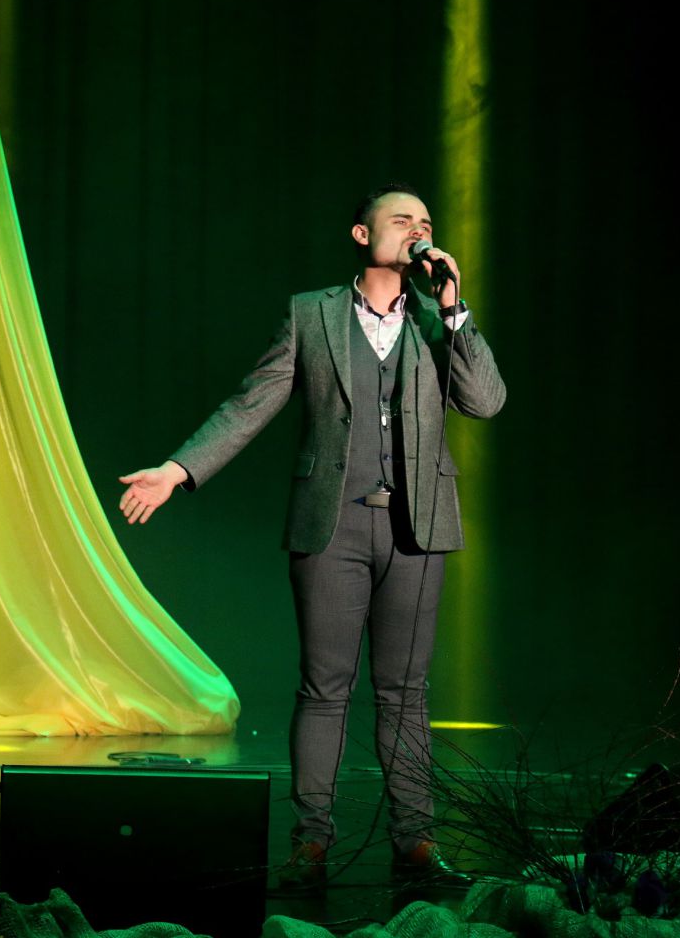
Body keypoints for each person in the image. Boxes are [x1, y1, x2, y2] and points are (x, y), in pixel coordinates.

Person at [118, 184, 506, 889]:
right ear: (362, 234)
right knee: (325, 687)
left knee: (405, 692)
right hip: (331, 524)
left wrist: (454, 310)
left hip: (418, 530)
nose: (417, 230)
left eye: (425, 222)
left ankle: (416, 841)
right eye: (401, 219)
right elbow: (251, 402)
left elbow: (485, 401)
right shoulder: (310, 314)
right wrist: (178, 469)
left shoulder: (435, 321)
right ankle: (312, 842)